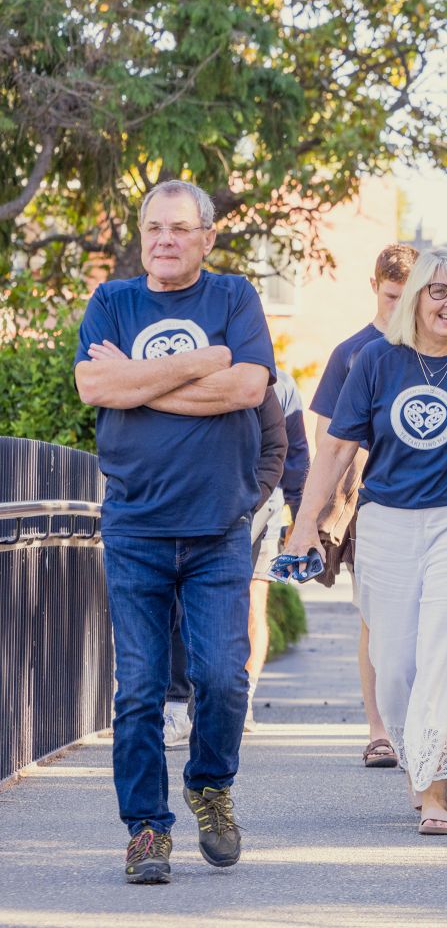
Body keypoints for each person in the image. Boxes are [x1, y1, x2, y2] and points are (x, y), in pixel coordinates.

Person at [74, 179, 275, 884]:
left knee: (222, 677)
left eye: (180, 228)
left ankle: (211, 783)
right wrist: (202, 360)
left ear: (207, 236)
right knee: (139, 689)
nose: (164, 238)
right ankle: (147, 830)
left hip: (219, 524)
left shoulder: (234, 298)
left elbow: (249, 387)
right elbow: (96, 388)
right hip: (136, 525)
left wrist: (141, 376)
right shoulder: (112, 301)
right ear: (142, 233)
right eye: (154, 227)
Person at [286, 247, 447, 834]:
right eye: (438, 291)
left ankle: (435, 789)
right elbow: (336, 448)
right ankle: (417, 753)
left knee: (444, 655)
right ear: (414, 298)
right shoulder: (376, 362)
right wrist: (304, 523)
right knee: (393, 663)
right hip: (385, 518)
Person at [309, 243, 417, 767]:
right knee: (375, 619)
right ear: (375, 286)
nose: (400, 307)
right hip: (364, 505)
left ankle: (419, 720)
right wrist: (315, 512)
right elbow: (324, 435)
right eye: (393, 295)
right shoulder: (353, 352)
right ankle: (379, 730)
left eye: (409, 295)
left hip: (429, 502)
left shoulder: (437, 346)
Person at [163, 382, 287, 748]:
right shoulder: (169, 366)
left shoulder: (258, 377)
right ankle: (175, 706)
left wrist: (246, 502)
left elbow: (279, 448)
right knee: (176, 609)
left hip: (239, 516)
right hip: (174, 512)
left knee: (231, 614)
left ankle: (221, 715)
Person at [246, 366, 309, 729]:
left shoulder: (281, 383)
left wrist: (302, 521)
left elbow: (296, 454)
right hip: (217, 502)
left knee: (255, 599)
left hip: (266, 505)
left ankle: (245, 697)